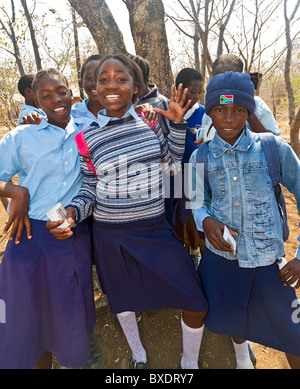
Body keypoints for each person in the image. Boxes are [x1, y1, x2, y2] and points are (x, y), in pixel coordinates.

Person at [48, 54, 208, 369]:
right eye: (103, 79)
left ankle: (189, 363)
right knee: (123, 301)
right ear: (93, 88)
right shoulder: (85, 137)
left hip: (154, 230)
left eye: (121, 78)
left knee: (196, 301)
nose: (112, 85)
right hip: (112, 237)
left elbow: (172, 167)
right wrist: (71, 212)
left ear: (135, 87)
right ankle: (138, 356)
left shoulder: (150, 120)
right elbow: (90, 188)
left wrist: (176, 127)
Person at [190, 71, 300, 369]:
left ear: (249, 112)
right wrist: (206, 221)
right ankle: (241, 359)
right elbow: (197, 204)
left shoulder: (273, 149)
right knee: (230, 322)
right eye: (219, 110)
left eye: (238, 110)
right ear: (210, 110)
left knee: (295, 337)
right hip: (224, 263)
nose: (228, 119)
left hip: (269, 264)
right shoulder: (200, 157)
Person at [0, 68, 96, 369]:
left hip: (68, 237)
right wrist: (16, 192)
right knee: (27, 320)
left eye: (61, 92)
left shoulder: (87, 130)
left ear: (72, 94)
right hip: (27, 238)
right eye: (46, 95)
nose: (56, 100)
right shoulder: (21, 136)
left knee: (69, 319)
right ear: (36, 100)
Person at [198, 54, 280, 142]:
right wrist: (203, 145)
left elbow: (273, 142)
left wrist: (247, 108)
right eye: (219, 78)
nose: (225, 81)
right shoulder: (211, 108)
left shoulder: (257, 104)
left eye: (231, 77)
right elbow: (205, 138)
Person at [173, 68, 205, 268]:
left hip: (198, 171)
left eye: (198, 93)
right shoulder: (171, 111)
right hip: (176, 171)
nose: (195, 96)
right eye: (191, 92)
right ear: (180, 89)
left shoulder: (203, 113)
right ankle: (181, 254)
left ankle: (196, 251)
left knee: (195, 212)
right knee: (178, 215)